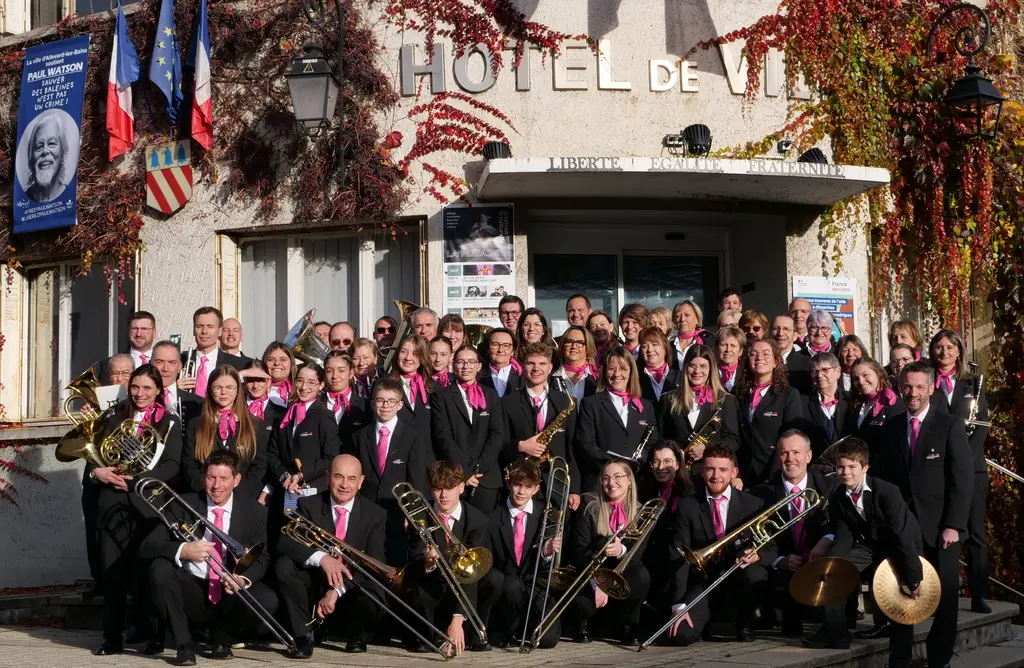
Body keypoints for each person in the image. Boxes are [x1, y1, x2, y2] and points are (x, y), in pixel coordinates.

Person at [871, 361, 972, 665]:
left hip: (941, 527)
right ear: (900, 388)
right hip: (903, 528)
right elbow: (885, 479)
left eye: (918, 387)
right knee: (901, 593)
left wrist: (954, 524)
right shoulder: (889, 427)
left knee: (945, 597)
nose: (912, 393)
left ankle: (939, 658)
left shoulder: (950, 425)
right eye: (907, 386)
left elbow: (962, 479)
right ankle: (899, 657)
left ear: (931, 388)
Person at [142, 451, 276, 664]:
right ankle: (183, 645)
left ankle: (221, 639)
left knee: (268, 599)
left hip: (228, 590)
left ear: (236, 480)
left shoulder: (254, 511)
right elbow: (148, 546)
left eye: (224, 478)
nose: (216, 485)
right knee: (159, 569)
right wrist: (184, 549)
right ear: (203, 477)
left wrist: (242, 579)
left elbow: (262, 557)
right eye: (211, 477)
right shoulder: (181, 503)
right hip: (191, 590)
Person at [89, 364, 182, 656]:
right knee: (113, 575)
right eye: (135, 387)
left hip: (147, 506)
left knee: (146, 576)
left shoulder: (169, 422)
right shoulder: (113, 416)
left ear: (158, 391)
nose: (140, 394)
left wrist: (137, 481)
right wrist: (98, 473)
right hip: (111, 504)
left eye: (147, 388)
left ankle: (154, 637)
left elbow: (172, 465)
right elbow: (93, 455)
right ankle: (111, 638)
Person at [804, 438, 923, 654]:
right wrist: (833, 566)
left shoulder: (888, 492)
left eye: (852, 467)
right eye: (840, 466)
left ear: (865, 468)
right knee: (834, 573)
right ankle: (837, 633)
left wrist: (914, 576)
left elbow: (902, 536)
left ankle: (901, 658)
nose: (845, 472)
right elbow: (843, 536)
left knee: (902, 598)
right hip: (870, 546)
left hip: (901, 548)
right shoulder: (839, 496)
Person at [274, 454, 387, 658]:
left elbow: (374, 564)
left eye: (351, 478)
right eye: (338, 477)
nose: (344, 485)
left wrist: (337, 590)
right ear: (327, 477)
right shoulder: (309, 505)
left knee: (373, 595)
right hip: (317, 583)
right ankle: (303, 636)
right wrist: (322, 558)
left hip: (351, 587)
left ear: (361, 482)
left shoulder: (375, 514)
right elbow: (284, 542)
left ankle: (356, 633)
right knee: (284, 565)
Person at [665, 444, 775, 645]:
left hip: (738, 578)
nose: (716, 475)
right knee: (680, 635)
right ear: (701, 470)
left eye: (723, 470)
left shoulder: (753, 504)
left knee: (756, 574)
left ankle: (745, 622)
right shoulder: (687, 506)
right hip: (703, 582)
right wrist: (678, 606)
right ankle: (706, 621)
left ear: (734, 472)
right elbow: (677, 556)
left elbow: (771, 549)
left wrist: (756, 555)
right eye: (710, 469)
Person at [928, 329, 990, 613]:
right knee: (942, 529)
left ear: (959, 350)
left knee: (976, 534)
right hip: (939, 467)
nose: (944, 352)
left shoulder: (973, 383)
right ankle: (939, 593)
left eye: (950, 347)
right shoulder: (928, 383)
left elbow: (980, 428)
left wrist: (962, 460)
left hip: (973, 470)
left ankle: (978, 594)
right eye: (939, 347)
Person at [751, 430, 836, 637]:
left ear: (808, 456)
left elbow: (840, 523)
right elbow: (758, 537)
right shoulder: (761, 493)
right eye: (784, 453)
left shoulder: (830, 486)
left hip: (819, 561)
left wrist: (827, 540)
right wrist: (778, 560)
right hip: (783, 570)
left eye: (796, 452)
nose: (790, 459)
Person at [408, 461, 494, 654]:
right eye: (438, 488)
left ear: (461, 487)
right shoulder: (419, 515)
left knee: (492, 579)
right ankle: (429, 635)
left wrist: (457, 618)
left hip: (466, 585)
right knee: (420, 583)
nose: (444, 495)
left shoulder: (478, 520)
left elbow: (472, 572)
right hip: (435, 584)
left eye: (449, 488)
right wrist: (427, 562)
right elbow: (413, 559)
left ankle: (473, 633)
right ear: (430, 490)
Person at [480, 459, 562, 648]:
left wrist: (546, 552)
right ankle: (507, 629)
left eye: (528, 486)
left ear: (536, 489)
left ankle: (526, 626)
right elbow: (491, 567)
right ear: (508, 483)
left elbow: (548, 568)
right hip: (508, 590)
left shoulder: (547, 515)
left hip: (536, 584)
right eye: (517, 485)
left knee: (548, 640)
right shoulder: (492, 518)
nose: (521, 492)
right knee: (512, 585)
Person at [569, 460, 651, 645]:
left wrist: (622, 550)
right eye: (605, 478)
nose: (611, 483)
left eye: (617, 477)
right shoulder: (589, 505)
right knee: (582, 605)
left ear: (629, 480)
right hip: (592, 572)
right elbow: (580, 549)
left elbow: (637, 555)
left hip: (624, 571)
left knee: (641, 576)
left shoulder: (642, 511)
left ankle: (628, 625)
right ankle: (584, 622)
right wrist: (598, 582)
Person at [353, 378, 432, 565]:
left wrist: (412, 514)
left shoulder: (413, 437)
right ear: (373, 404)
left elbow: (416, 480)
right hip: (368, 509)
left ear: (400, 405)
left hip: (398, 512)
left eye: (391, 401)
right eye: (380, 400)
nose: (385, 406)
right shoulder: (359, 436)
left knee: (396, 560)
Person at [501, 343, 582, 509]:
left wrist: (574, 489)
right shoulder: (507, 402)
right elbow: (500, 444)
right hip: (520, 482)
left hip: (557, 481)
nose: (536, 368)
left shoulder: (566, 402)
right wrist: (521, 446)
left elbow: (573, 448)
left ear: (550, 367)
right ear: (523, 366)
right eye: (531, 363)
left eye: (542, 364)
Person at [430, 345, 507, 512]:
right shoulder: (441, 397)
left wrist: (478, 468)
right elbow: (443, 436)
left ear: (479, 366)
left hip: (486, 478)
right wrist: (464, 471)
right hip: (454, 478)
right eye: (461, 362)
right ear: (453, 365)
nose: (466, 367)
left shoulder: (491, 395)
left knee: (484, 531)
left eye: (471, 362)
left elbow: (497, 434)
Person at [575, 346, 658, 495]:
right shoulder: (591, 404)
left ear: (631, 372)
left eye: (623, 369)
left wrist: (639, 461)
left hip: (637, 485)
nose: (617, 374)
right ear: (604, 372)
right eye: (612, 369)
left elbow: (652, 442)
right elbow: (586, 444)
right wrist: (618, 466)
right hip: (601, 484)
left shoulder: (646, 405)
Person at [183, 366, 268, 500]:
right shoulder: (195, 424)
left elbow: (259, 465)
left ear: (237, 391)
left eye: (229, 387)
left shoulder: (255, 425)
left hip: (242, 498)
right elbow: (189, 464)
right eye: (218, 387)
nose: (224, 392)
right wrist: (209, 491)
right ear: (210, 390)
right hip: (204, 497)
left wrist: (236, 494)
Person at [266, 364, 342, 511]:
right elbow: (273, 453)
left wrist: (301, 475)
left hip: (313, 492)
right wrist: (285, 476)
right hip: (286, 490)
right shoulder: (285, 415)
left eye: (311, 382)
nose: (304, 387)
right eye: (300, 381)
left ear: (321, 385)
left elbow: (331, 457)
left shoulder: (324, 415)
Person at [658, 345, 740, 465]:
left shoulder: (726, 400)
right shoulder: (668, 399)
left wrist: (707, 449)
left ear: (711, 369)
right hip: (677, 472)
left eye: (703, 366)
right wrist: (672, 452)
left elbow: (733, 440)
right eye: (692, 366)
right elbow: (660, 438)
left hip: (711, 473)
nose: (697, 371)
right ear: (685, 367)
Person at [736, 339, 803, 487]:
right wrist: (735, 473)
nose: (759, 357)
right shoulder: (739, 395)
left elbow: (790, 437)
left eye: (766, 354)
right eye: (754, 354)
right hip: (742, 476)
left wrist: (775, 472)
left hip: (774, 474)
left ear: (776, 362)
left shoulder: (789, 395)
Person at [178, 307, 247, 398]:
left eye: (210, 327)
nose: (204, 331)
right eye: (199, 326)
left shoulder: (238, 364)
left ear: (220, 331)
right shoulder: (179, 361)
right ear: (194, 330)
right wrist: (175, 389)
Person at [845, 357, 905, 461]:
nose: (861, 381)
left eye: (865, 375)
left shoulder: (892, 402)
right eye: (856, 378)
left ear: (878, 373)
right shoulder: (855, 404)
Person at [800, 352, 849, 463]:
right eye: (815, 371)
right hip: (815, 468)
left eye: (825, 370)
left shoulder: (851, 401)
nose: (819, 375)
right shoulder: (801, 402)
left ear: (838, 372)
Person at [323, 351, 370, 454]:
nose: (335, 376)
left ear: (351, 373)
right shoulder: (317, 404)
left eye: (341, 370)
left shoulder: (365, 406)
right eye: (329, 371)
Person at [152, 340, 203, 429]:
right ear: (150, 364)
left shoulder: (198, 404)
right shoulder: (139, 399)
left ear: (179, 367)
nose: (165, 368)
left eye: (172, 362)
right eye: (159, 362)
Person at [390, 334, 436, 428]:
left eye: (415, 354)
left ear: (422, 357)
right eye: (403, 352)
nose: (408, 358)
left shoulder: (433, 386)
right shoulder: (385, 385)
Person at [25, 114, 69, 202]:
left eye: (52, 143)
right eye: (39, 146)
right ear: (32, 157)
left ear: (62, 152)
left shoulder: (71, 196)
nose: (45, 151)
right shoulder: (23, 198)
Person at [552, 325, 598, 401]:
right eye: (569, 342)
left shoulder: (599, 376)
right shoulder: (550, 377)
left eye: (580, 342)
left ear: (588, 348)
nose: (574, 346)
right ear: (562, 347)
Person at [772, 314, 812, 395]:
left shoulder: (806, 364)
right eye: (776, 329)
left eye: (786, 329)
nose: (780, 333)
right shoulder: (762, 361)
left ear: (795, 336)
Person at [637, 326, 679, 403]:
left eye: (654, 344)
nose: (649, 350)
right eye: (644, 346)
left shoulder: (680, 377)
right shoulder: (635, 378)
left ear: (665, 349)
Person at [669, 300, 713, 370]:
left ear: (697, 319)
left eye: (687, 315)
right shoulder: (669, 347)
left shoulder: (708, 342)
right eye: (678, 316)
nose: (682, 319)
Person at [479, 328, 522, 398]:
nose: (500, 350)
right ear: (487, 349)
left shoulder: (523, 377)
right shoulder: (478, 377)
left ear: (513, 351)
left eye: (506, 345)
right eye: (495, 345)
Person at [241, 361, 285, 428]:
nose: (255, 386)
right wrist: (241, 374)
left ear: (268, 382)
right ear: (244, 381)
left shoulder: (279, 413)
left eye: (260, 380)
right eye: (250, 380)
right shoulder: (235, 407)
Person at [262, 342, 297, 408]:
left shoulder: (300, 390)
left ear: (291, 363)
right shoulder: (254, 389)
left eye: (283, 360)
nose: (277, 363)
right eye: (271, 360)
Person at [715, 325, 745, 392]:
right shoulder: (710, 371)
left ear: (740, 351)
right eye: (724, 345)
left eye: (733, 346)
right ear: (717, 348)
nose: (728, 349)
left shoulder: (746, 374)